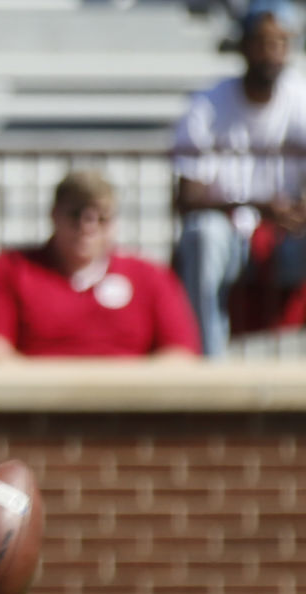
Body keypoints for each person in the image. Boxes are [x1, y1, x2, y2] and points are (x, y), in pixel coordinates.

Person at [174, 0, 306, 357]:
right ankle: (207, 368)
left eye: (281, 42)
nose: (273, 52)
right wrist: (258, 207)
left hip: (287, 241)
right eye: (264, 41)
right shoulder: (207, 105)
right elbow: (186, 200)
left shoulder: (300, 97)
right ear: (245, 45)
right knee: (201, 235)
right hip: (228, 235)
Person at [0, 170, 201, 359]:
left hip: (128, 411)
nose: (88, 226)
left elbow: (180, 354)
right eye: (76, 215)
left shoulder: (150, 277)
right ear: (54, 215)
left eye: (101, 217)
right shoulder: (9, 270)